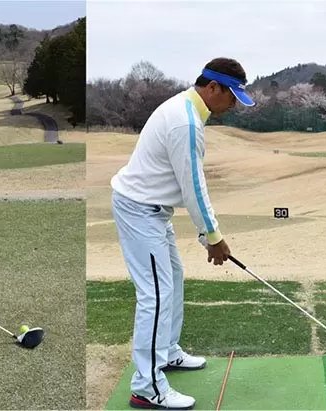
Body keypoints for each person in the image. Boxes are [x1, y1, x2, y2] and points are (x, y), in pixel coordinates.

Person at [110, 57, 256, 410]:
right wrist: (214, 236)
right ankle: (147, 387)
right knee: (155, 296)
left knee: (172, 279)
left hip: (153, 210)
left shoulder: (187, 110)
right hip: (139, 210)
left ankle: (167, 351)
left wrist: (207, 236)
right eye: (232, 96)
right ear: (213, 88)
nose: (234, 104)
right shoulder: (185, 122)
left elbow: (185, 184)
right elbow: (193, 187)